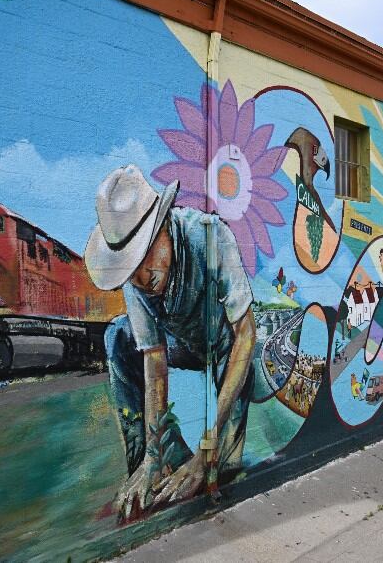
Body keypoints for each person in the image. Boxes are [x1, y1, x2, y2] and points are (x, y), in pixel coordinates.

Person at [85, 165, 256, 520]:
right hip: (184, 344)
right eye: (130, 268)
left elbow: (245, 336)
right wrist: (152, 454)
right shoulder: (137, 280)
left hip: (226, 342)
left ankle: (214, 460)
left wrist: (208, 448)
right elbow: (155, 365)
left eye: (145, 256)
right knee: (117, 334)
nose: (142, 277)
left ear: (163, 226)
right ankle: (154, 469)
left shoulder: (210, 237)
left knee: (221, 471)